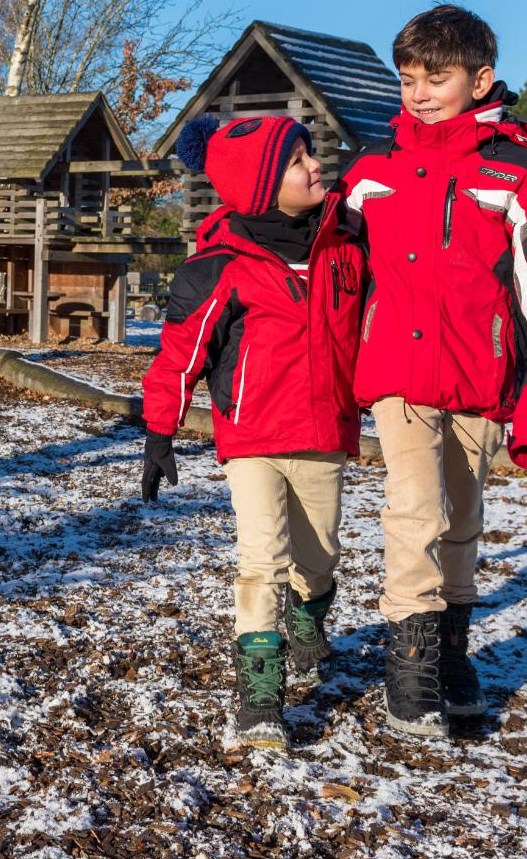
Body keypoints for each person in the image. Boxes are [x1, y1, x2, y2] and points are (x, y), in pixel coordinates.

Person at [340, 4, 527, 737]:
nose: (419, 94)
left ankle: (452, 649)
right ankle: (410, 665)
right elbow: (333, 274)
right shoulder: (371, 170)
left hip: (479, 374)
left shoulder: (519, 175)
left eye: (437, 78)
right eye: (408, 79)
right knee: (415, 509)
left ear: (480, 81)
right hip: (395, 367)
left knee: (461, 517)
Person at [139, 115, 367, 750]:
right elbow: (180, 352)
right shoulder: (220, 266)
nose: (316, 166)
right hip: (252, 435)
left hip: (324, 432)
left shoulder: (348, 246)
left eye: (311, 154)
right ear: (263, 186)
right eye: (298, 161)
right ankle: (259, 696)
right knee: (262, 560)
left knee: (319, 558)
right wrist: (159, 430)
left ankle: (308, 619)